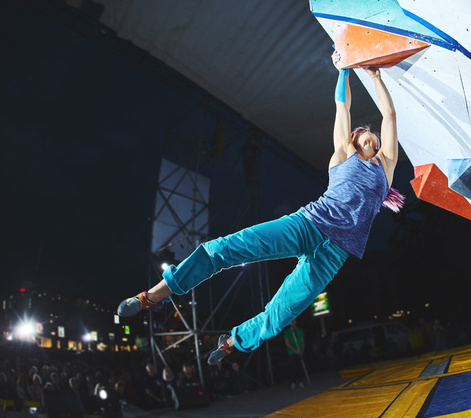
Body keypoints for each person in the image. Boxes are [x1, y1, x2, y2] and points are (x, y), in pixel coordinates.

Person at [117, 49, 402, 366]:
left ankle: (235, 340)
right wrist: (345, 70)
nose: (370, 136)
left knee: (282, 314)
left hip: (335, 252)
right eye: (364, 135)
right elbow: (342, 106)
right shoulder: (341, 156)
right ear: (354, 140)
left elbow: (389, 116)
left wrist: (376, 76)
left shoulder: (386, 166)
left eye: (373, 137)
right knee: (226, 249)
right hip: (307, 224)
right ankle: (155, 294)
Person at [284, 319, 306, 389]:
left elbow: (302, 341)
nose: (293, 323)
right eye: (291, 321)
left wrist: (301, 350)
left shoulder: (299, 330)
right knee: (293, 367)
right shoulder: (287, 331)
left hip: (299, 351)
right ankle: (293, 382)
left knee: (300, 366)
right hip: (292, 352)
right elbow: (287, 343)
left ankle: (300, 381)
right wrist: (294, 350)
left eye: (294, 321)